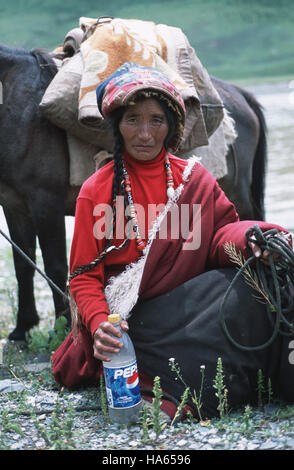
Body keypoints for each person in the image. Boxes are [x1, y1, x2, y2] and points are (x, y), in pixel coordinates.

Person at [52, 62, 294, 420]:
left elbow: (219, 237)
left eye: (156, 120)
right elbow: (84, 277)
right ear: (117, 126)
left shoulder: (194, 180)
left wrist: (253, 239)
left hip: (196, 307)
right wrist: (100, 324)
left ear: (172, 126)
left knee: (260, 285)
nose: (145, 133)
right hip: (137, 324)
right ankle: (177, 395)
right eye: (133, 119)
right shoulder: (96, 191)